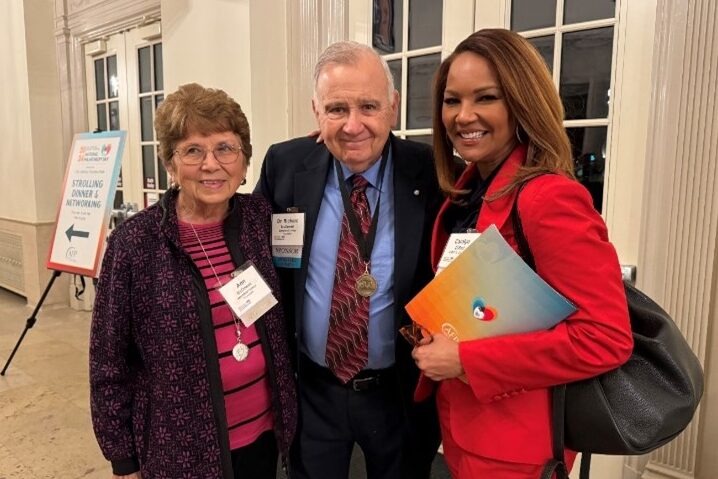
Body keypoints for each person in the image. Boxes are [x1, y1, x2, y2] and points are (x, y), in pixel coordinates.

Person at [410, 29, 634, 478]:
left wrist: (465, 360)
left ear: (522, 101)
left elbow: (605, 338)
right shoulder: (468, 189)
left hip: (516, 449)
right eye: (452, 100)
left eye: (486, 98)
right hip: (462, 428)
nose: (463, 115)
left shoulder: (549, 198)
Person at [90, 83, 296, 479]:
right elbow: (107, 358)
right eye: (192, 151)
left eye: (225, 148)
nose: (211, 164)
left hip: (263, 434)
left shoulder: (259, 220)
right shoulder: (134, 244)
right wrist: (122, 458)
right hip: (179, 449)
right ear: (170, 163)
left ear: (244, 160)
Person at [255, 41, 442, 479]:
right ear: (316, 112)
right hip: (313, 389)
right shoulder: (285, 165)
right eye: (336, 109)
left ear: (392, 108)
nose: (353, 125)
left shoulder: (433, 172)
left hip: (397, 390)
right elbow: (250, 253)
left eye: (368, 107)